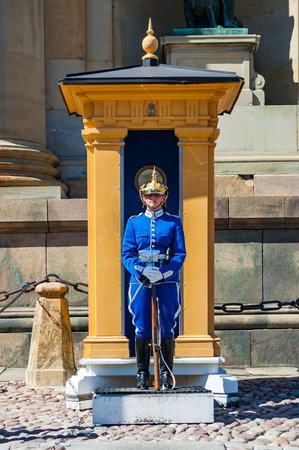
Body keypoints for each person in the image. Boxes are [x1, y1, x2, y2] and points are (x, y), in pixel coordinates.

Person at [121, 167, 186, 389]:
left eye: (157, 195)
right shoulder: (134, 222)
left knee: (167, 325)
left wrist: (165, 271)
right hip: (140, 281)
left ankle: (166, 373)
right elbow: (127, 254)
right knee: (142, 327)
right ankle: (142, 373)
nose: (153, 199)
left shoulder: (173, 222)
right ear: (142, 198)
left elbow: (180, 254)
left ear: (164, 197)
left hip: (166, 280)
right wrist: (140, 270)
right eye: (149, 195)